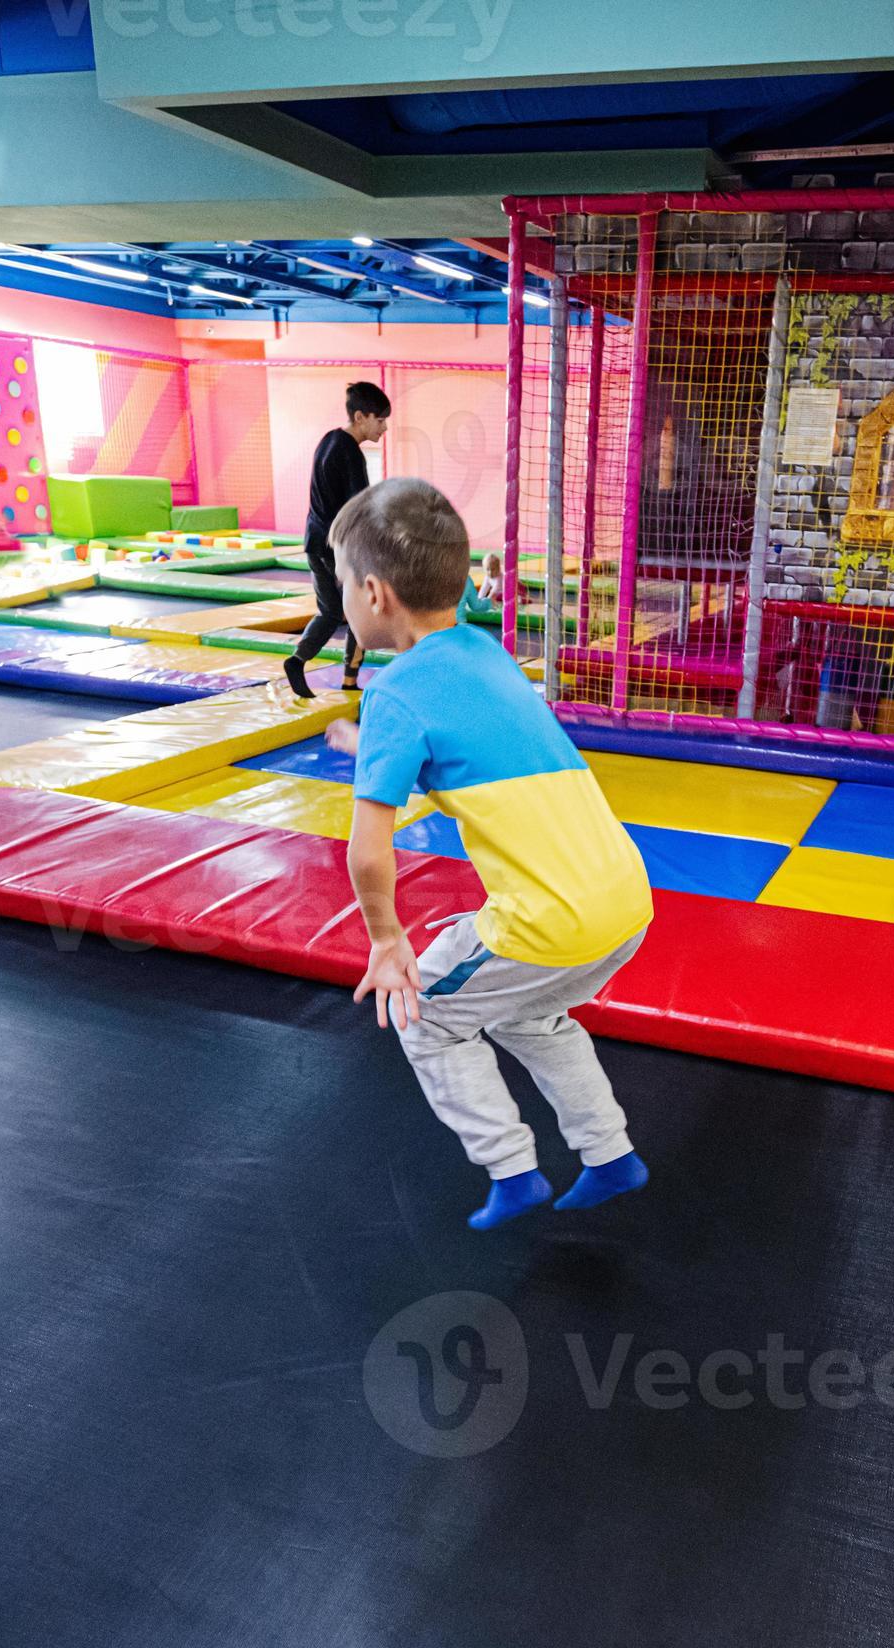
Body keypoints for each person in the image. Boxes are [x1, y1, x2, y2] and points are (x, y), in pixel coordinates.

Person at [321, 478, 655, 1230]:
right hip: (626, 900)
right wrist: (364, 744)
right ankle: (609, 1156)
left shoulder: (395, 694)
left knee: (424, 1014)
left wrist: (386, 939)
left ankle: (512, 1171)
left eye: (339, 581)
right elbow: (473, 758)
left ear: (374, 594)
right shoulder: (486, 652)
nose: (339, 595)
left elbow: (369, 854)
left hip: (551, 921)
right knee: (532, 1016)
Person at [285, 381, 390, 699]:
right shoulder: (351, 454)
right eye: (380, 420)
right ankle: (348, 679)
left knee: (330, 611)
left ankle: (298, 659)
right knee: (363, 611)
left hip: (315, 542)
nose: (384, 428)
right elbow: (360, 509)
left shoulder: (328, 440)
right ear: (361, 416)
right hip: (338, 549)